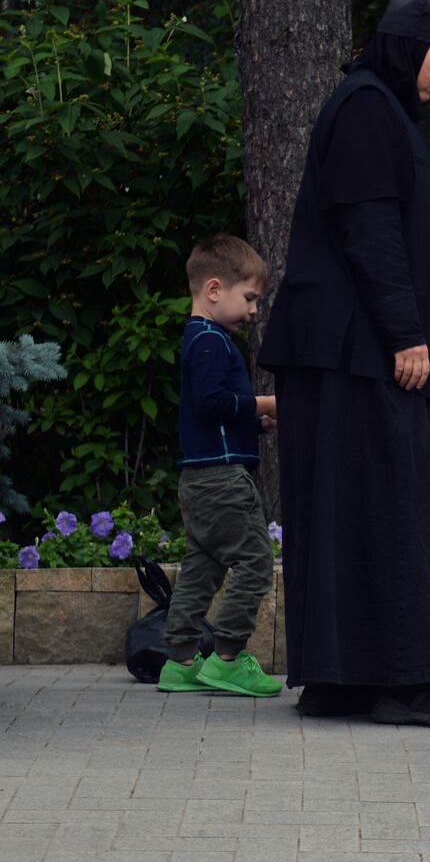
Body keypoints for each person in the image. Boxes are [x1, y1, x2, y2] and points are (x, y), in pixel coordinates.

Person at [257, 0, 430, 727]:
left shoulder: (376, 106)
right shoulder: (365, 107)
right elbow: (369, 230)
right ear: (406, 45)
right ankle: (407, 682)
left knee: (348, 508)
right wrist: (407, 334)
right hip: (363, 350)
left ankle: (342, 680)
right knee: (399, 501)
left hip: (346, 352)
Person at [158, 235, 281, 698]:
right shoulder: (211, 341)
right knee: (254, 561)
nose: (253, 310)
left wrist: (258, 425)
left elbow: (208, 413)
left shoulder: (199, 338)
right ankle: (226, 657)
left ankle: (180, 662)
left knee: (202, 568)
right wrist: (268, 401)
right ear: (214, 289)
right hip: (223, 479)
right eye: (248, 298)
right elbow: (211, 403)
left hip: (199, 476)